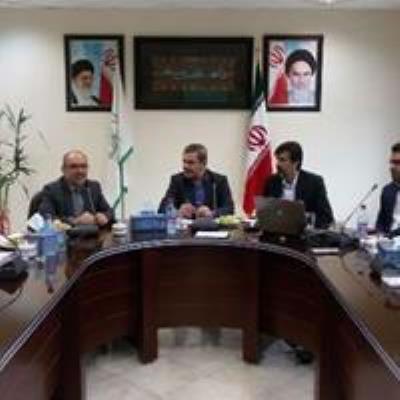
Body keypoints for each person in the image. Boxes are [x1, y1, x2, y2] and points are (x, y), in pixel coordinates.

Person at [263, 141, 334, 230]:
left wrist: (307, 222)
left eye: (282, 160)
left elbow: (326, 217)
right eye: (277, 159)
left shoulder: (314, 182)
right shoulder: (271, 181)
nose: (278, 164)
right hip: (275, 232)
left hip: (303, 234)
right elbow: (264, 212)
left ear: (296, 162)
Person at [38, 150, 114, 226]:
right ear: (63, 170)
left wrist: (104, 216)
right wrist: (75, 221)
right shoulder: (51, 190)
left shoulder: (93, 187)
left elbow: (109, 212)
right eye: (73, 167)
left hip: (91, 233)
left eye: (83, 166)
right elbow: (46, 217)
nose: (80, 171)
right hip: (66, 233)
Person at [158, 143, 234, 218]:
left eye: (190, 163)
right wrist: (177, 212)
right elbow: (162, 208)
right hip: (185, 225)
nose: (185, 166)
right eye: (184, 161)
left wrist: (212, 213)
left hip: (210, 225)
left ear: (203, 164)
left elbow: (229, 209)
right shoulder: (177, 180)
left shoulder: (219, 181)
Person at [376, 142, 400, 235]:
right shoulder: (387, 191)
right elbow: (380, 223)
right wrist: (377, 235)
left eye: (397, 163)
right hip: (388, 241)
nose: (392, 167)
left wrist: (390, 236)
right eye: (391, 162)